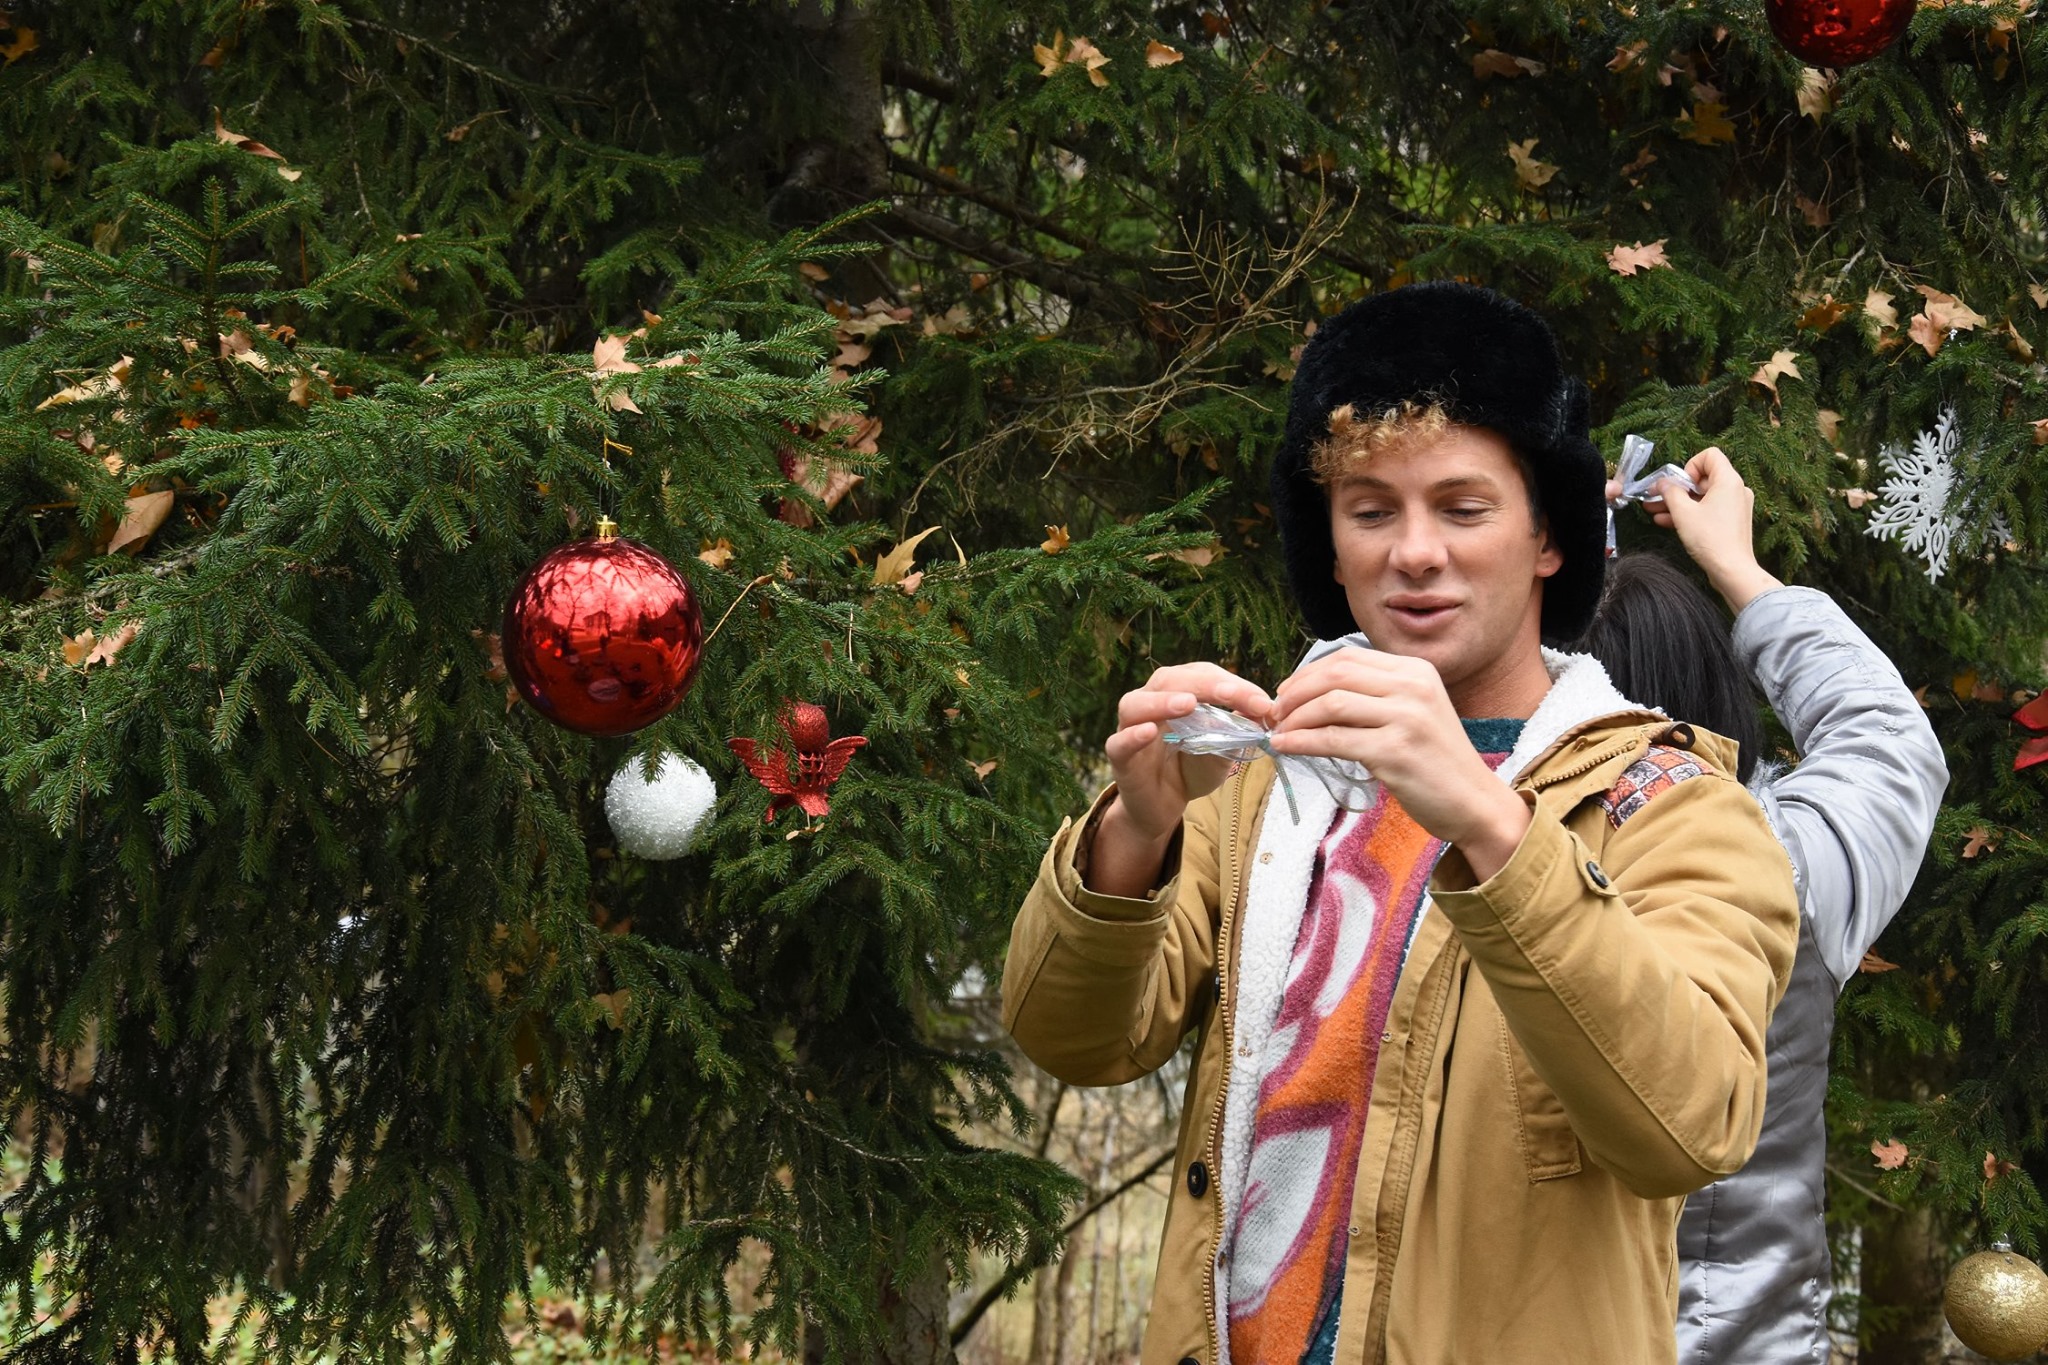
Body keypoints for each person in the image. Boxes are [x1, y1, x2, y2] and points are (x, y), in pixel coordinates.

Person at [1000, 282, 1801, 1365]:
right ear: (1330, 550)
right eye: (1371, 511)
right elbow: (1074, 1039)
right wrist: (1133, 836)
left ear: (1548, 539)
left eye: (1463, 509)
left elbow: (1691, 1124)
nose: (1413, 552)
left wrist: (1488, 822)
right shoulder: (1262, 786)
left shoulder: (1669, 804)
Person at [1581, 447, 1947, 1365]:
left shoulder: (1468, 862)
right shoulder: (1791, 858)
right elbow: (1885, 734)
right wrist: (1737, 567)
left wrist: (1501, 553)